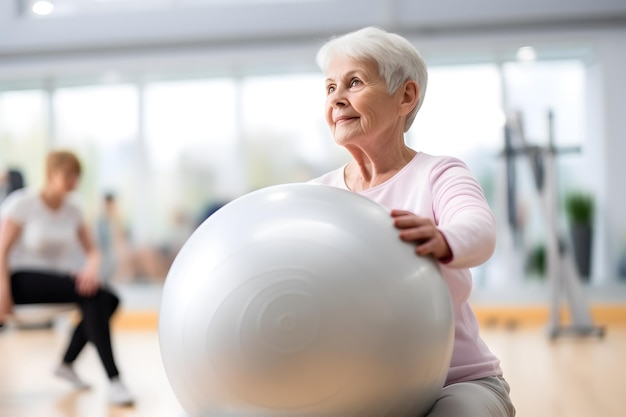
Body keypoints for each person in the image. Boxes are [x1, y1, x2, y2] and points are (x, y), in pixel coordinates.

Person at [310, 27, 516, 417]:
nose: (337, 98)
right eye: (330, 87)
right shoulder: (317, 197)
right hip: (354, 388)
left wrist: (443, 238)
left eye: (354, 83)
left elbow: (480, 230)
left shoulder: (439, 174)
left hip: (455, 382)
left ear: (405, 96)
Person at [0, 150, 134, 406]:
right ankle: (112, 379)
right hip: (20, 279)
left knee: (108, 299)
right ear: (51, 174)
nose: (74, 181)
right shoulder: (23, 203)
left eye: (77, 176)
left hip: (57, 279)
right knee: (95, 295)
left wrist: (90, 269)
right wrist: (2, 292)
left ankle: (68, 365)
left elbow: (92, 250)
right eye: (68, 175)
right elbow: (1, 251)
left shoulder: (73, 209)